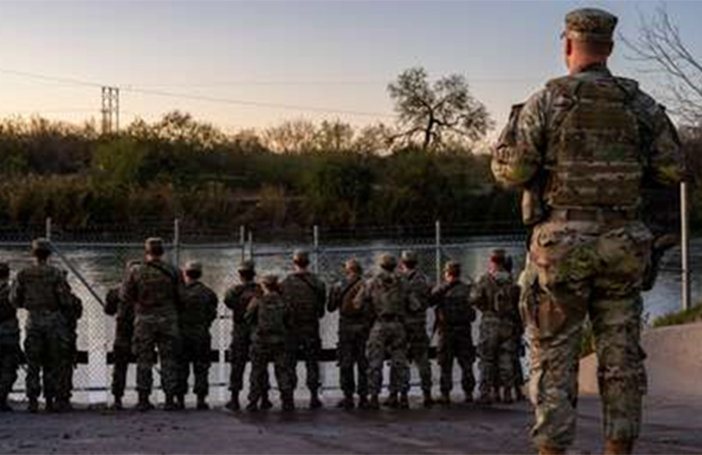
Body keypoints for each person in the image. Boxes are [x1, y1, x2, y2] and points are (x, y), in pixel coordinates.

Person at [491, 8, 682, 454]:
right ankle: (619, 448)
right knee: (621, 359)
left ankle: (552, 450)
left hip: (560, 247)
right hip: (623, 245)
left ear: (568, 46)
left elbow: (514, 169)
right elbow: (673, 169)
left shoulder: (546, 101)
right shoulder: (641, 105)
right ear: (610, 49)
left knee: (554, 358)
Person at [10, 238, 73, 413]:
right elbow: (65, 300)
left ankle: (32, 400)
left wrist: (28, 304)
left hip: (33, 321)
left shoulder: (23, 274)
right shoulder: (56, 274)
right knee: (52, 362)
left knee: (33, 362)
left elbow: (14, 299)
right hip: (53, 322)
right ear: (49, 254)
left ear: (33, 253)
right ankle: (50, 400)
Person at [120, 237, 183, 412]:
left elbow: (125, 297)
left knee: (144, 360)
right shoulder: (174, 271)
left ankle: (143, 399)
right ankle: (170, 399)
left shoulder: (135, 271)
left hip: (144, 320)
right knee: (169, 360)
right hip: (168, 320)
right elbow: (182, 298)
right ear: (162, 251)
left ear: (146, 251)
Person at [355, 253, 410, 410]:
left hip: (379, 324)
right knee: (399, 361)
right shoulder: (403, 282)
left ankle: (373, 397)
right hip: (398, 324)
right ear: (395, 265)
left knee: (375, 362)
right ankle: (400, 396)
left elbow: (357, 303)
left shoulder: (371, 282)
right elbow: (414, 305)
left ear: (381, 265)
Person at [471, 250, 520, 405]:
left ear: (491, 261)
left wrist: (485, 308)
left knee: (487, 359)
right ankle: (507, 392)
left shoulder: (485, 279)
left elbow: (474, 299)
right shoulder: (512, 281)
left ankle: (485, 393)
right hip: (507, 323)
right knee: (506, 358)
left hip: (490, 322)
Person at [281, 250, 326, 409]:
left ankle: (288, 399)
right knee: (312, 362)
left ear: (294, 263)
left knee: (289, 363)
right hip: (311, 328)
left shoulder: (285, 283)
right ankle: (314, 397)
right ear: (308, 263)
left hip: (291, 329)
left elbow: (282, 309)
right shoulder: (318, 283)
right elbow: (321, 311)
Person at [223, 260, 269, 411]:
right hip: (258, 330)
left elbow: (228, 302)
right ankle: (263, 399)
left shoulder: (233, 291)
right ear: (253, 274)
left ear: (240, 275)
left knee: (237, 364)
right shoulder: (260, 291)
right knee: (260, 365)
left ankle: (234, 399)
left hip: (240, 330)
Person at [245, 275, 295, 412]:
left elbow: (248, 318)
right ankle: (287, 401)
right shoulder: (283, 301)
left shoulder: (257, 300)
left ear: (264, 286)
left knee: (257, 372)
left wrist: (256, 330)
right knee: (283, 371)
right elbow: (290, 321)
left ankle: (253, 402)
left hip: (260, 341)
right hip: (280, 341)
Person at [327, 259, 371, 410]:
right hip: (364, 328)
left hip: (346, 327)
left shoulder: (339, 286)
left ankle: (348, 397)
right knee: (363, 363)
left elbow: (331, 307)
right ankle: (364, 397)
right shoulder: (368, 285)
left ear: (347, 271)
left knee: (346, 363)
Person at [431, 261, 476, 405]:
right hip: (464, 330)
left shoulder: (441, 289)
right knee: (466, 363)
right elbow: (473, 311)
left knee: (445, 364)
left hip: (446, 331)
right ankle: (468, 393)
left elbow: (430, 300)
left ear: (447, 273)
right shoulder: (467, 289)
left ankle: (445, 394)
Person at [177, 262, 218, 410]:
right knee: (201, 366)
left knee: (181, 366)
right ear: (200, 274)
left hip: (181, 334)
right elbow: (212, 313)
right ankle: (201, 399)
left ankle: (180, 399)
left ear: (186, 273)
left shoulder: (178, 292)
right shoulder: (208, 293)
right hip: (201, 334)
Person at [399, 250, 434, 408]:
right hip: (419, 323)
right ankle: (427, 393)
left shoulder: (398, 280)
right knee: (423, 360)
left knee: (402, 360)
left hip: (403, 325)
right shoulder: (425, 280)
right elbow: (430, 298)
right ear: (416, 263)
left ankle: (403, 395)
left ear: (402, 263)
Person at [105, 282, 135, 411]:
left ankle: (117, 399)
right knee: (145, 362)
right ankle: (144, 398)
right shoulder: (149, 287)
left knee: (120, 365)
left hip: (123, 330)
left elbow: (109, 310)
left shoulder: (116, 289)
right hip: (143, 329)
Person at [0, 262, 20, 412]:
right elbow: (19, 302)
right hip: (8, 331)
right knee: (8, 368)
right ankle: (1, 399)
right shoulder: (12, 289)